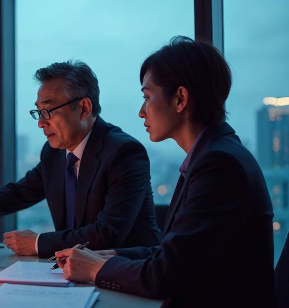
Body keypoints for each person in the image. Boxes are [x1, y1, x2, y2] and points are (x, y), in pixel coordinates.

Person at [54, 37, 276, 308]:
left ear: (180, 98)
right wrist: (107, 256)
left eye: (147, 97)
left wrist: (95, 270)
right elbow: (173, 253)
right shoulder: (211, 155)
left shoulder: (219, 165)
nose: (140, 111)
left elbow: (166, 274)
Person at [0, 60, 161, 258]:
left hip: (128, 276)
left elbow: (108, 233)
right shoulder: (53, 153)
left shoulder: (124, 152)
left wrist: (39, 242)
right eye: (38, 112)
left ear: (83, 108)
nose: (41, 123)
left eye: (48, 111)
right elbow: (18, 193)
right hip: (74, 273)